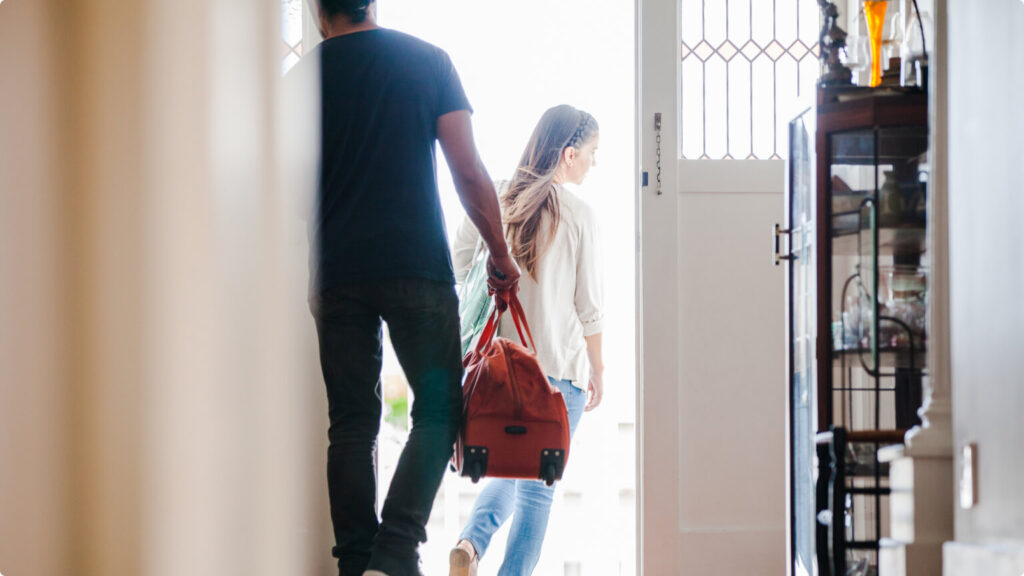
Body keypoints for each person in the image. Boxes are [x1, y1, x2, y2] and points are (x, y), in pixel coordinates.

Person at [300, 2, 520, 575]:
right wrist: (499, 254)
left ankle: (356, 563)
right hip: (415, 262)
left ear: (318, 10)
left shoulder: (300, 79)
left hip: (336, 269)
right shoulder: (428, 62)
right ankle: (395, 553)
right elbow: (467, 170)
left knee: (351, 422)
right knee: (439, 407)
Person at [449, 105, 605, 576]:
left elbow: (460, 265)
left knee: (511, 464)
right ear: (570, 154)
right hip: (559, 373)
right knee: (538, 488)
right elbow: (589, 307)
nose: (594, 162)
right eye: (592, 152)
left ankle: (470, 544)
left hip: (499, 370)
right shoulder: (579, 215)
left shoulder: (495, 197)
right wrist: (598, 369)